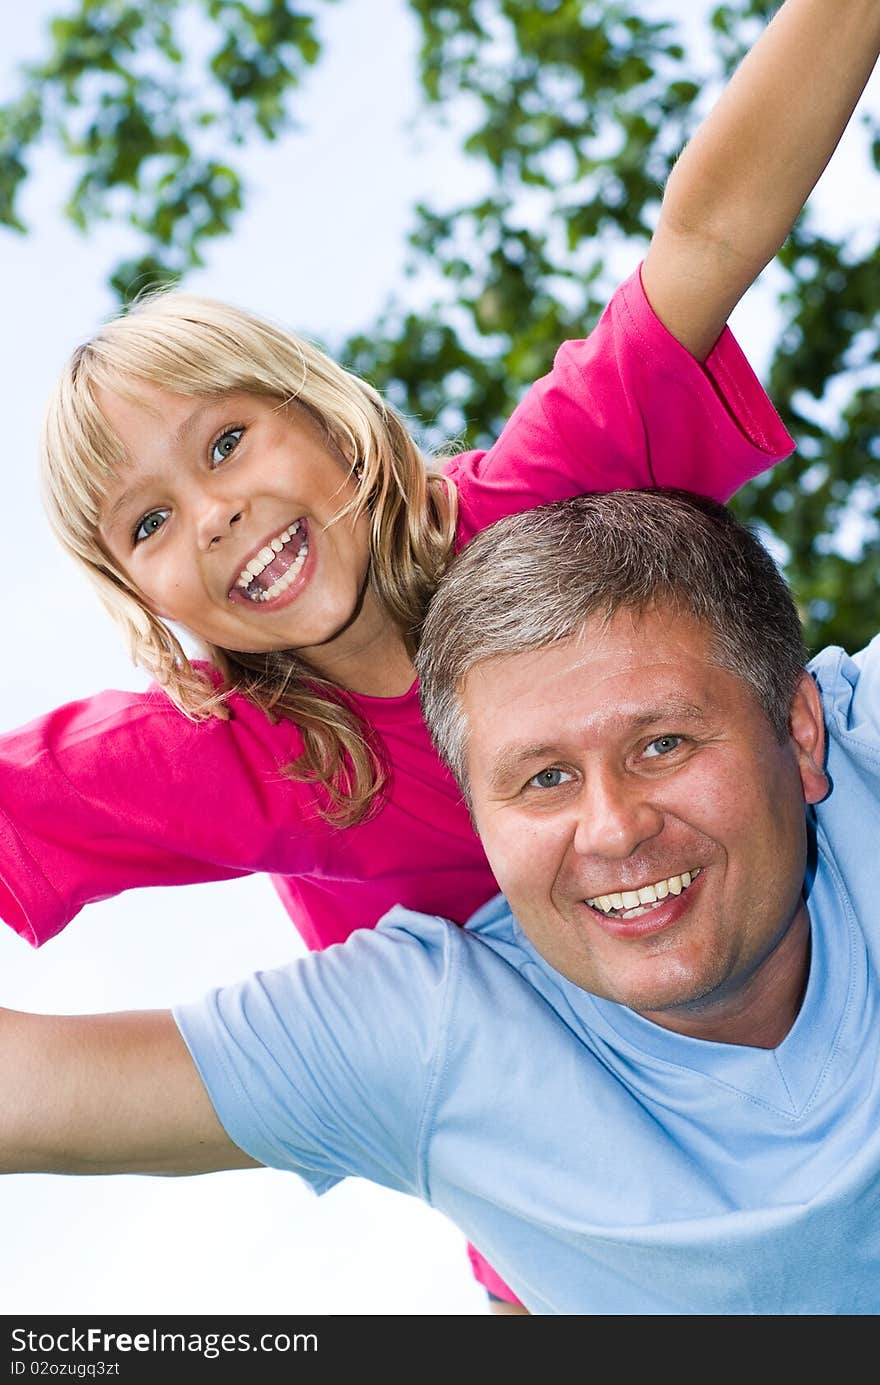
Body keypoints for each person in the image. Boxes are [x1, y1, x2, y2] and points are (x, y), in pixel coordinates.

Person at [2, 0, 878, 1313]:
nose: (214, 512)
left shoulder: (550, 496)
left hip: (775, 1004)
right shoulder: (207, 753)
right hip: (584, 1199)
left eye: (227, 443)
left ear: (324, 413)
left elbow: (703, 235)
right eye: (150, 524)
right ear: (151, 601)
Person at [3, 486, 879, 1316]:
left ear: (800, 731)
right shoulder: (438, 1034)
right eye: (544, 778)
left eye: (663, 743)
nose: (612, 830)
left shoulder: (864, 744)